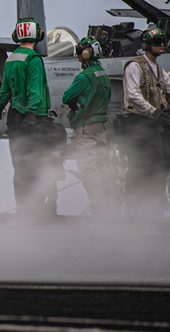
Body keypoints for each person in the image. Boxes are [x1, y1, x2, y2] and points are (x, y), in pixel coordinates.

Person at [0, 18, 61, 218]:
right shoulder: (34, 60)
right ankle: (38, 210)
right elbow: (35, 90)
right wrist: (31, 115)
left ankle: (24, 209)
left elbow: (4, 93)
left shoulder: (11, 60)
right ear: (38, 36)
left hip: (14, 120)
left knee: (20, 165)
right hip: (33, 120)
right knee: (38, 165)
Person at [119, 26, 170, 219]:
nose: (162, 45)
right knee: (140, 167)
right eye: (158, 42)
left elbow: (168, 85)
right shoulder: (135, 65)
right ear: (147, 45)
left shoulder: (156, 67)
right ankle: (134, 211)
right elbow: (133, 95)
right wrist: (153, 111)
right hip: (137, 123)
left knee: (156, 165)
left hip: (151, 125)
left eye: (163, 41)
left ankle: (152, 209)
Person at [61, 36, 114, 218]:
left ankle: (98, 209)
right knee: (102, 166)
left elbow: (66, 97)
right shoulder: (103, 73)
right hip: (100, 128)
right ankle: (109, 207)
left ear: (87, 52)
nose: (78, 55)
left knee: (88, 169)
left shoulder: (84, 77)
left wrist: (77, 106)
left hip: (85, 127)